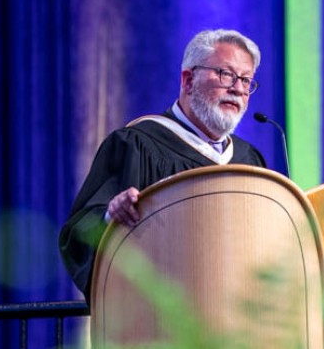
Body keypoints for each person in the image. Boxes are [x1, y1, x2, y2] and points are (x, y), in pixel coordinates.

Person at [59, 29, 267, 298]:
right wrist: (111, 217)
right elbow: (79, 235)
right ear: (188, 80)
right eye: (225, 75)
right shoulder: (136, 145)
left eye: (246, 80)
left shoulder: (250, 161)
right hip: (158, 324)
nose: (238, 89)